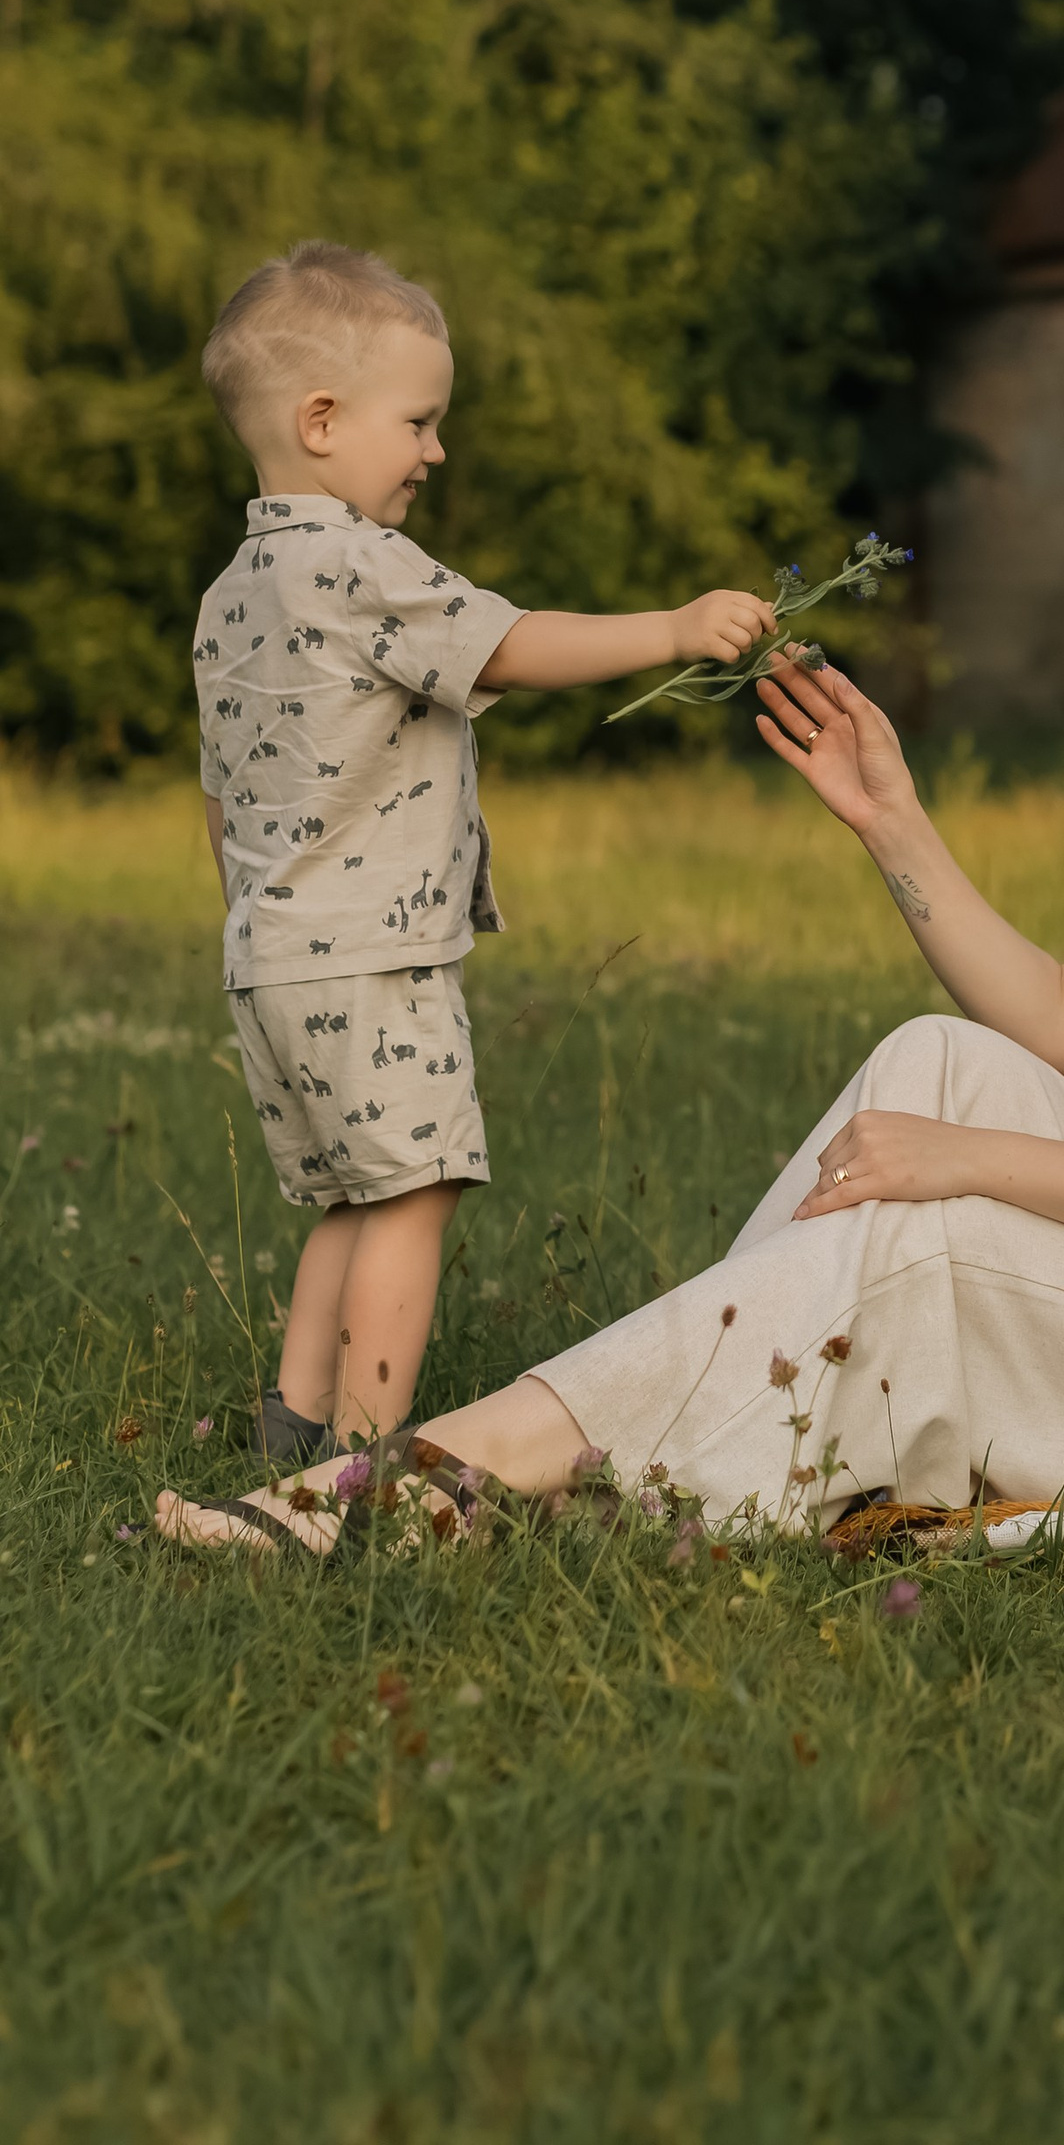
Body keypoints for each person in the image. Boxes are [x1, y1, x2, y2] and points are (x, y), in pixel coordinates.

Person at [159, 391, 1064, 1556]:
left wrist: (961, 1169)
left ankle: (429, 1484)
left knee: (941, 1220)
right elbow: (1056, 1019)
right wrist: (892, 817)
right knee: (939, 1059)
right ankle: (653, 1449)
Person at [186, 239, 776, 1479]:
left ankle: (292, 1422)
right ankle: (361, 1457)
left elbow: (219, 790)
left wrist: (252, 917)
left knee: (353, 1189)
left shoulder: (233, 590)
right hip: (372, 955)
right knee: (414, 1188)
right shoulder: (358, 561)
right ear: (322, 419)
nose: (435, 450)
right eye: (421, 420)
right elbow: (503, 644)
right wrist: (672, 626)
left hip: (270, 954)